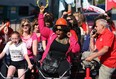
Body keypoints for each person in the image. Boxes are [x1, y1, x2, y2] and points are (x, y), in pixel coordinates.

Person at [38, 6, 80, 79]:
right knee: (42, 73)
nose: (58, 31)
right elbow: (42, 29)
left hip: (63, 61)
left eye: (60, 30)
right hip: (49, 60)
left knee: (65, 73)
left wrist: (71, 38)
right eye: (56, 29)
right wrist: (41, 14)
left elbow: (76, 49)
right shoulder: (52, 34)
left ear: (64, 30)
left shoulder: (69, 38)